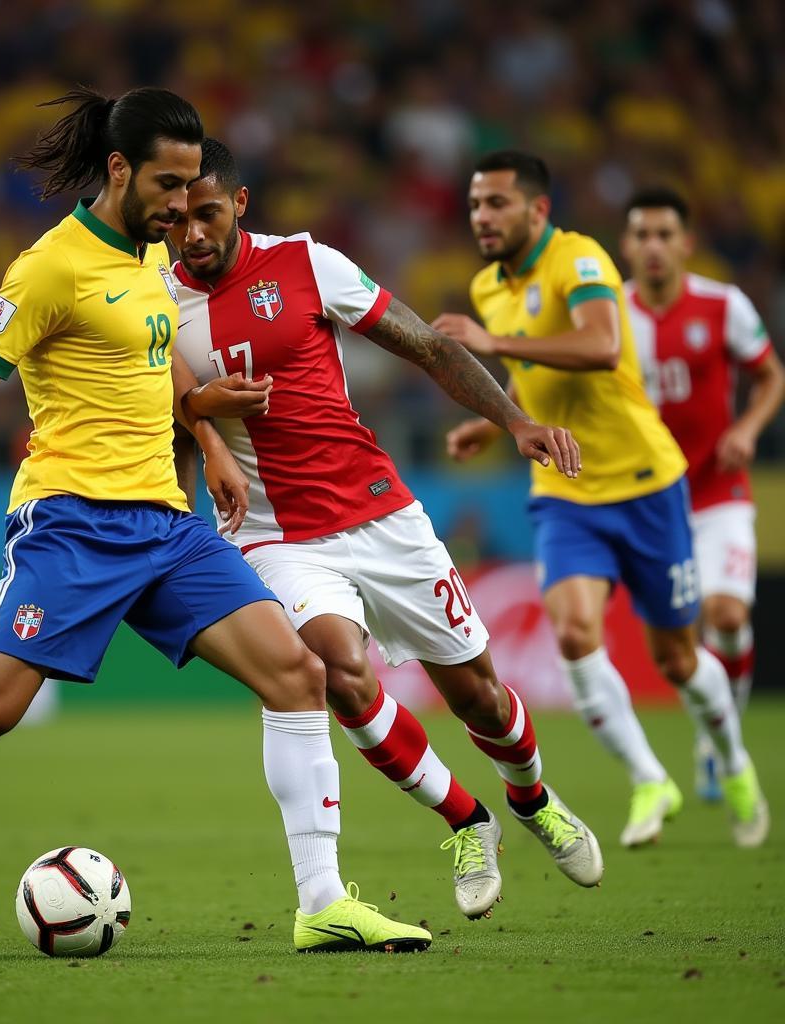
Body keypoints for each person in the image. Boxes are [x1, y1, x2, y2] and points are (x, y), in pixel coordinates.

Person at [0, 87, 433, 955]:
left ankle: (320, 903)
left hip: (166, 522)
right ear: (119, 169)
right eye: (167, 184)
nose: (181, 207)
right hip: (73, 525)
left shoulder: (149, 269)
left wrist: (209, 433)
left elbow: (148, 374)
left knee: (296, 675)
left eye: (193, 184)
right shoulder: (50, 268)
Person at [167, 137, 603, 924]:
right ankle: (469, 823)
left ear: (238, 204)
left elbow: (429, 346)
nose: (192, 234)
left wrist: (515, 420)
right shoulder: (154, 301)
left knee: (480, 699)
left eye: (206, 215)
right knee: (336, 669)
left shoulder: (307, 264)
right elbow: (149, 397)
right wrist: (197, 417)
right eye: (177, 222)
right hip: (272, 534)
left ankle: (533, 799)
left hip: (380, 515)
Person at [441, 150, 769, 848]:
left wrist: (492, 341)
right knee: (573, 633)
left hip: (647, 483)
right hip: (566, 488)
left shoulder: (580, 259)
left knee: (678, 658)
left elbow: (597, 343)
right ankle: (650, 777)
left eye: (496, 203)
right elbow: (532, 371)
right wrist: (495, 419)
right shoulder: (487, 286)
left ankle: (734, 761)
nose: (482, 217)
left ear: (537, 210)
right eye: (474, 205)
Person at [621, 186, 785, 800]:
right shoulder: (610, 314)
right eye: (642, 235)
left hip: (719, 492)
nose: (654, 247)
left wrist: (745, 429)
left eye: (665, 234)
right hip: (649, 501)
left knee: (727, 615)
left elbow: (771, 376)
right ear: (627, 245)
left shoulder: (724, 306)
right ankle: (713, 731)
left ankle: (724, 744)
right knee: (679, 643)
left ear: (686, 244)